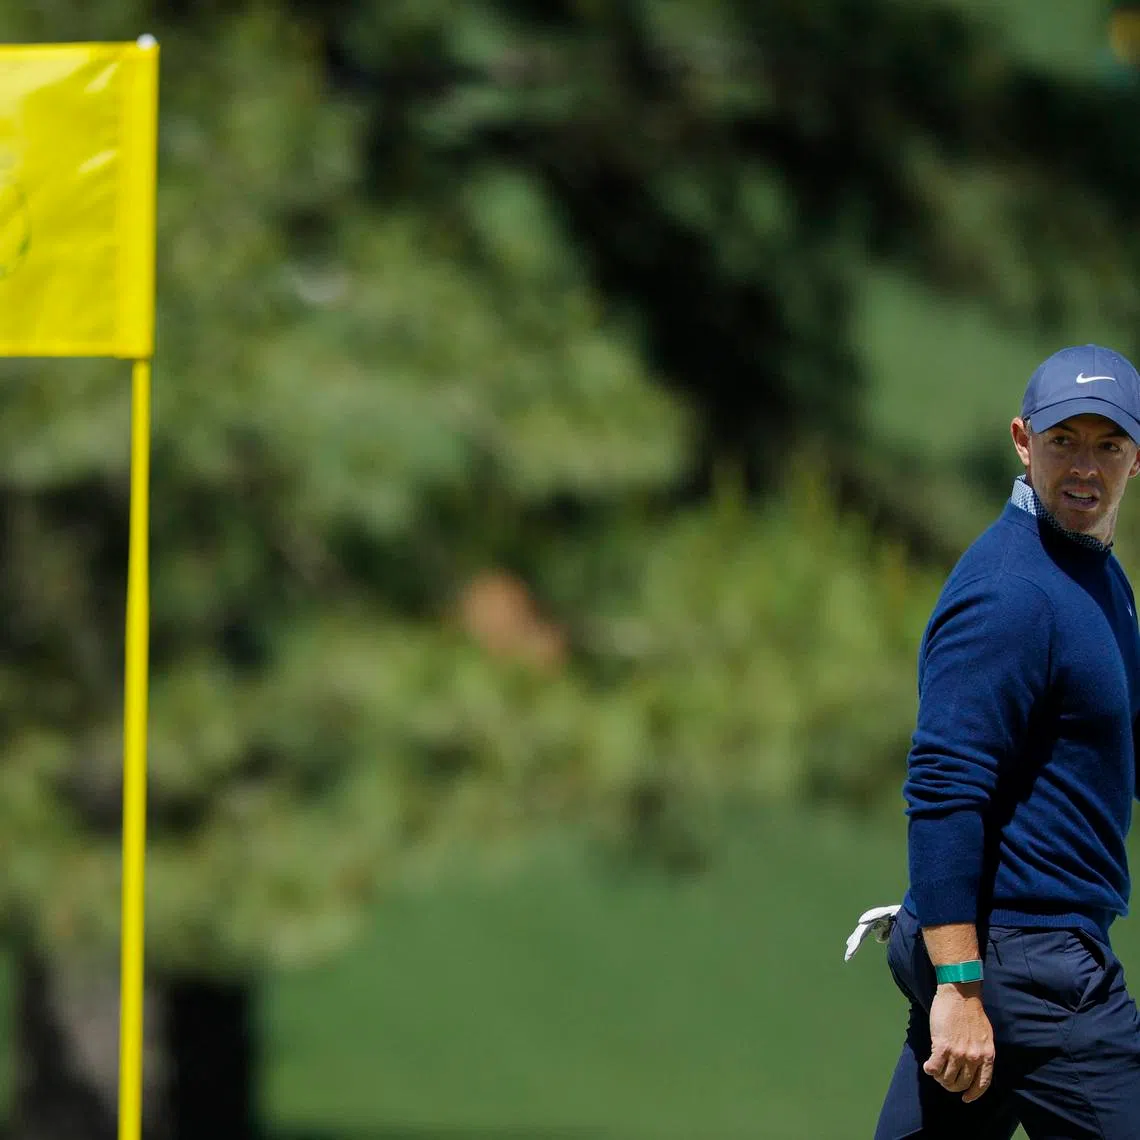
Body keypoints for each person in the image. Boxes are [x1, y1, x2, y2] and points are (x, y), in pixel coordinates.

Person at [875, 344, 1140, 1139]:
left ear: (1137, 457)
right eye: (1064, 442)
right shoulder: (1012, 592)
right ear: (1024, 442)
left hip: (1012, 957)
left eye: (1108, 445)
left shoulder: (1094, 574)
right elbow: (944, 787)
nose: (1085, 468)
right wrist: (960, 988)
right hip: (1026, 962)